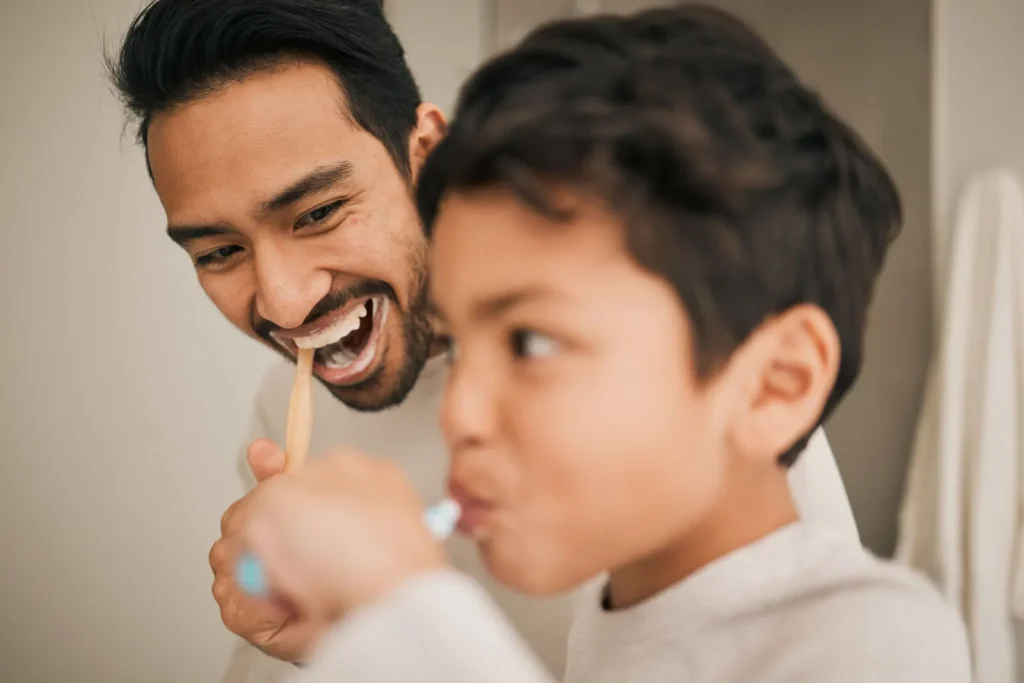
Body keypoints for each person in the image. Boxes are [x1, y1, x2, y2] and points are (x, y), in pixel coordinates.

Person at [108, 1, 860, 680]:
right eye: (218, 252)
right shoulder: (288, 413)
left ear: (426, 153)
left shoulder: (677, 367)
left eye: (318, 213)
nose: (284, 299)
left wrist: (397, 608)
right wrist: (295, 623)